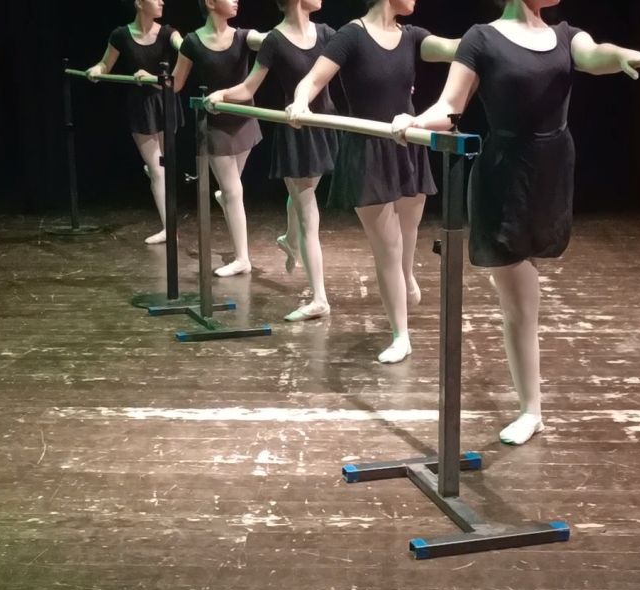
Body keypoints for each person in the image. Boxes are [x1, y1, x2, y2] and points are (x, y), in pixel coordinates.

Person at [391, 0, 640, 443]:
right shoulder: (482, 39)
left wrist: (621, 56)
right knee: (520, 301)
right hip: (505, 174)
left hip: (551, 169)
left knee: (525, 295)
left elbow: (593, 54)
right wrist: (414, 120)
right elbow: (450, 105)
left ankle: (531, 407)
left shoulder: (564, 35)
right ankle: (531, 410)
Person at [288, 0, 460, 363]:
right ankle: (401, 335)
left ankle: (406, 277)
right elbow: (312, 80)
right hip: (367, 151)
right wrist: (300, 103)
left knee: (407, 238)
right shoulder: (351, 36)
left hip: (407, 144)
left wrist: (494, 40)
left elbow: (452, 48)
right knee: (387, 249)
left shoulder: (412, 37)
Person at [206, 0, 340, 321]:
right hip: (296, 132)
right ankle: (319, 298)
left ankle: (289, 239)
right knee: (307, 212)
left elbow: (353, 64)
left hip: (324, 127)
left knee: (302, 198)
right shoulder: (275, 41)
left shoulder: (326, 33)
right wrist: (222, 94)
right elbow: (249, 87)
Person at [173, 0, 266, 277]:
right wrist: (148, 77)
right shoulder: (192, 42)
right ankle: (242, 258)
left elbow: (266, 40)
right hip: (214, 125)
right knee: (234, 191)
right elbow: (175, 83)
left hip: (244, 121)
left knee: (231, 189)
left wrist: (290, 32)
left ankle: (224, 197)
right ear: (211, 3)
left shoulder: (243, 36)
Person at [86, 0, 183, 245]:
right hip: (141, 107)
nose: (161, 2)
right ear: (139, 3)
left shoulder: (168, 33)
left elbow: (185, 48)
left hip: (165, 101)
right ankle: (170, 229)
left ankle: (165, 216)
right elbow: (105, 64)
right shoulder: (121, 35)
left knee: (164, 168)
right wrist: (97, 70)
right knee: (158, 170)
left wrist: (154, 76)